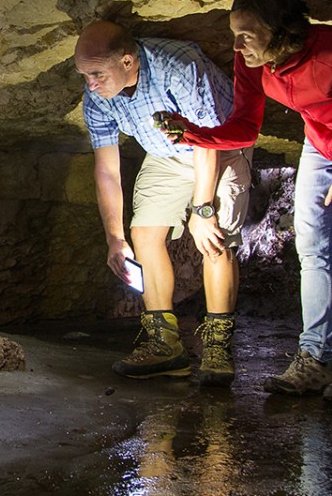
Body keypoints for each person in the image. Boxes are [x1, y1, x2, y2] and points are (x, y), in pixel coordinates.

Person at [158, 0, 332, 405]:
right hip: (322, 140)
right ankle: (313, 359)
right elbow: (246, 126)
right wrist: (193, 134)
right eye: (234, 35)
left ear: (279, 30)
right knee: (311, 246)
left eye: (246, 35)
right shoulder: (253, 64)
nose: (237, 46)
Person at [74, 20, 253, 385]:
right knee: (142, 233)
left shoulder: (179, 67)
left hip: (220, 146)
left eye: (96, 74)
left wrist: (203, 211)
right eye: (84, 75)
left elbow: (207, 143)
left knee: (214, 239)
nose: (90, 85)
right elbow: (107, 169)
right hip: (166, 153)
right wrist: (114, 237)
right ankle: (165, 345)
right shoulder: (96, 97)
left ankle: (218, 347)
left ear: (127, 61)